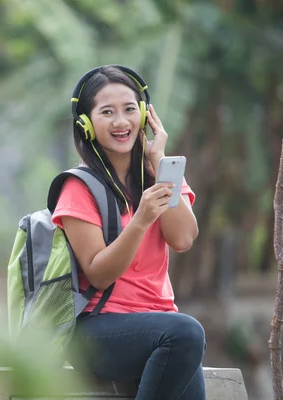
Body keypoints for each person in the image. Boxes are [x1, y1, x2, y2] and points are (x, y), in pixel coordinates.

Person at [51, 65, 205, 400]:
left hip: (160, 326)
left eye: (129, 110)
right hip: (96, 333)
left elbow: (183, 239)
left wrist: (160, 161)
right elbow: (99, 273)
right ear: (86, 124)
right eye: (107, 112)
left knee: (184, 336)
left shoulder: (158, 175)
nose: (121, 122)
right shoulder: (79, 187)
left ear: (146, 116)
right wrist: (140, 220)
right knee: (187, 333)